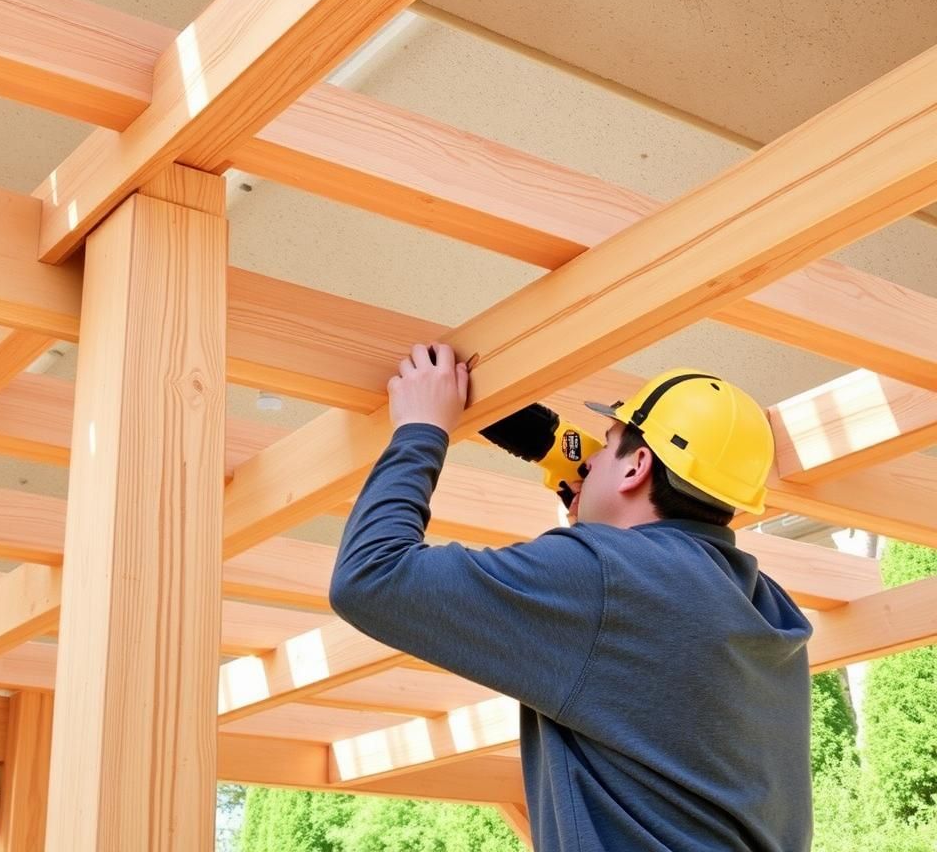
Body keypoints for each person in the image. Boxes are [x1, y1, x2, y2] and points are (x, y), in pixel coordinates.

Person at [329, 344, 813, 852]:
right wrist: (597, 514)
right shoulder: (765, 605)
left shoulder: (606, 577)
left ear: (636, 467)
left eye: (607, 444)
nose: (592, 457)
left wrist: (422, 426)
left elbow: (371, 574)